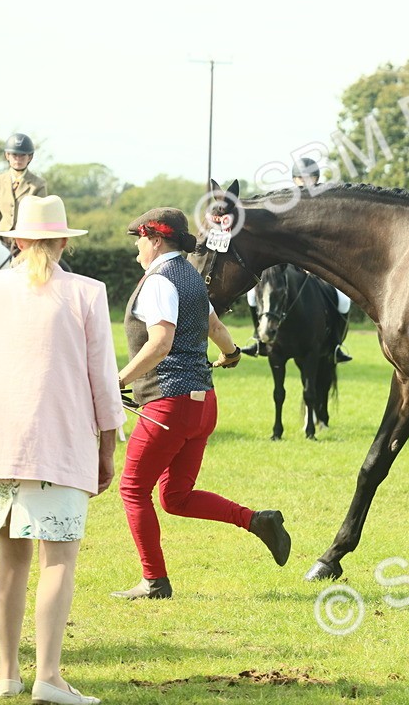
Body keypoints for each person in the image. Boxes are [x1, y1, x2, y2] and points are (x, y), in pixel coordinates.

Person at [0, 195, 121, 705]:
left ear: (17, 240)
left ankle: (7, 675)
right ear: (62, 241)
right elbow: (102, 376)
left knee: (8, 559)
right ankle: (50, 677)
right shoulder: (88, 292)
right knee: (58, 558)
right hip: (59, 441)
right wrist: (108, 443)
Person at [114, 207, 291, 600]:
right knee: (174, 497)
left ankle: (154, 580)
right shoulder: (192, 277)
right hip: (202, 405)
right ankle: (258, 521)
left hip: (169, 404)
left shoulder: (159, 280)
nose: (137, 249)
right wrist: (231, 354)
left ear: (156, 240)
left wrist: (118, 381)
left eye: (139, 240)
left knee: (132, 489)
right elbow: (216, 328)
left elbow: (159, 343)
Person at [240, 158, 352, 362]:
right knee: (250, 295)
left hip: (318, 267)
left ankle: (336, 345)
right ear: (295, 180)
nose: (306, 182)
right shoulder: (285, 205)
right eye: (301, 178)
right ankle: (259, 339)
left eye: (311, 178)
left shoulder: (325, 205)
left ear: (317, 179)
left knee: (344, 299)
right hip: (284, 267)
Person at [0, 134, 48, 251]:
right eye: (14, 155)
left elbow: (39, 219)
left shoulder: (39, 184)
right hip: (0, 241)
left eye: (22, 155)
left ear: (30, 157)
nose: (18, 159)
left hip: (26, 243)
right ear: (7, 155)